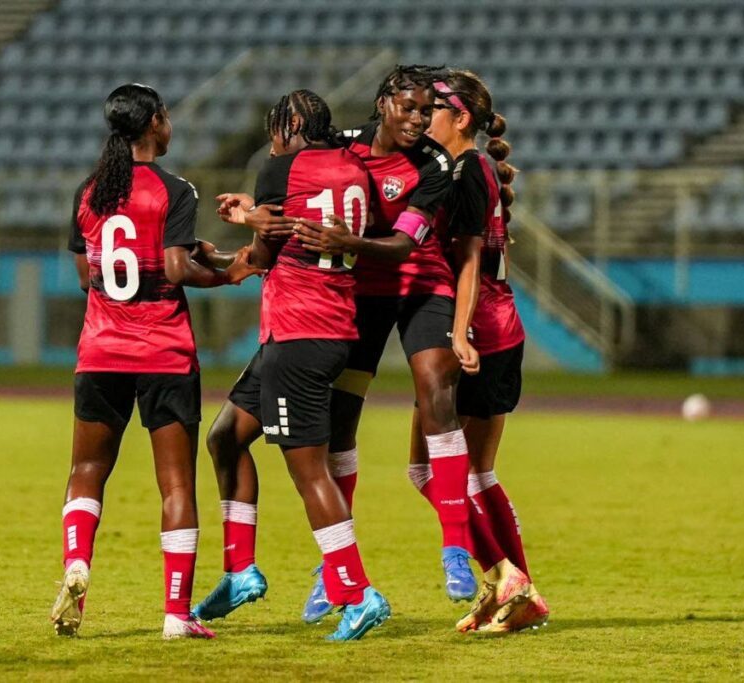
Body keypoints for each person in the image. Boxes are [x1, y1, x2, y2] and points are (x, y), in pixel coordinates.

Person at [51, 83, 260, 640]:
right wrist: (228, 273)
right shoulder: (174, 190)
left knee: (87, 471)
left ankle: (77, 565)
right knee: (176, 488)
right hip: (164, 353)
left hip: (100, 350)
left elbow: (85, 274)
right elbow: (173, 267)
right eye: (166, 117)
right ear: (153, 125)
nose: (170, 126)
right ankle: (174, 615)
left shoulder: (89, 191)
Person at [193, 89, 391, 641]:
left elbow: (264, 254)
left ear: (295, 123)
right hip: (325, 327)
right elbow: (284, 233)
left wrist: (232, 247)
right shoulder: (354, 167)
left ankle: (357, 591)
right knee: (226, 436)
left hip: (300, 332)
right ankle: (239, 571)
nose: (272, 138)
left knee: (310, 472)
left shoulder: (282, 168)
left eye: (277, 126)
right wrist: (249, 228)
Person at [292, 65, 478, 620]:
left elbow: (401, 247)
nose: (418, 120)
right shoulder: (341, 146)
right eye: (408, 108)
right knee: (340, 423)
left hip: (421, 286)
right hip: (360, 296)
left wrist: (348, 240)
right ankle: (333, 569)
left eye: (426, 110)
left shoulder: (436, 165)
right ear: (381, 104)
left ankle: (456, 549)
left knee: (434, 390)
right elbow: (292, 170)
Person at [422, 69, 549, 634]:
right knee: (476, 471)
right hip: (501, 327)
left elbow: (470, 259)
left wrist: (457, 331)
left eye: (433, 109)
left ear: (461, 118)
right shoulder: (474, 168)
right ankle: (518, 593)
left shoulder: (468, 168)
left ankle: (506, 579)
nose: (424, 118)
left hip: (478, 332)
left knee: (430, 470)